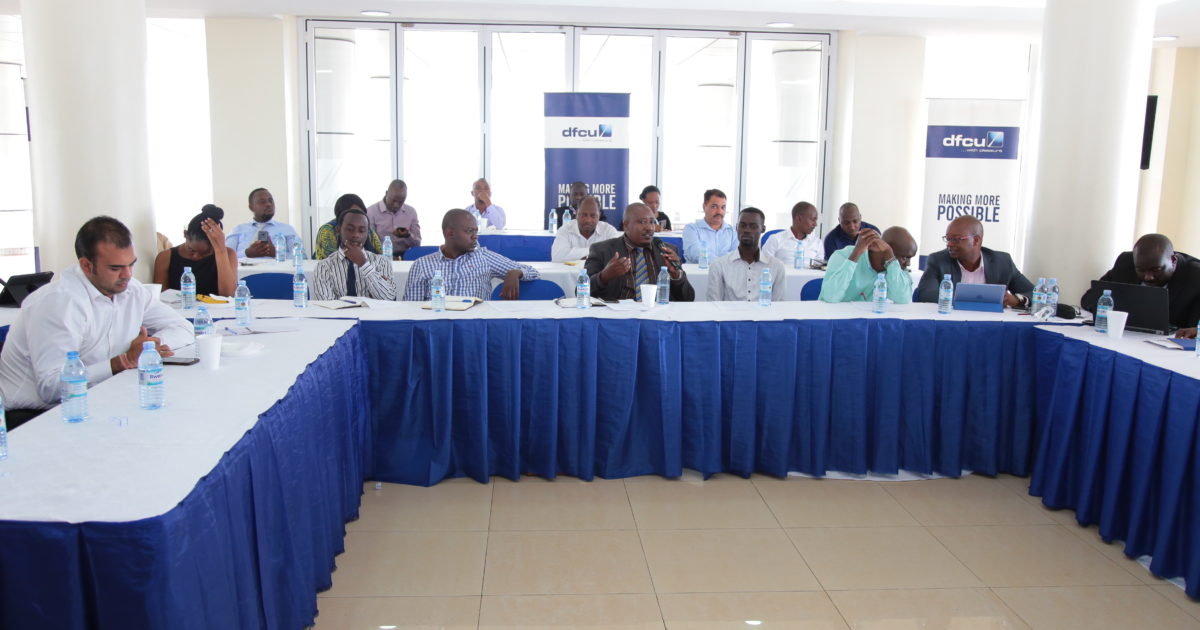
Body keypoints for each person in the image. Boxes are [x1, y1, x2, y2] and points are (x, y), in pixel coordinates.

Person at [0, 216, 193, 416]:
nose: (127, 275)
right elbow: (52, 388)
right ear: (86, 266)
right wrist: (121, 362)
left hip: (97, 397)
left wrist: (148, 348)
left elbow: (183, 328)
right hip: (31, 414)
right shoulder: (60, 303)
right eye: (115, 268)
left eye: (131, 264)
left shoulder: (131, 290)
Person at [403, 209, 538, 301]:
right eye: (469, 231)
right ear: (450, 233)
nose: (475, 236)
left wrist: (516, 272)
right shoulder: (422, 265)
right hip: (436, 327)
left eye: (476, 231)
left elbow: (533, 272)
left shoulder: (484, 257)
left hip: (474, 327)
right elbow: (411, 310)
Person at [1081, 234, 1200, 335]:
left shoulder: (1196, 277)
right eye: (1141, 270)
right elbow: (1089, 299)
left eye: (1156, 270)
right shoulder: (1126, 262)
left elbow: (1194, 329)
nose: (1148, 277)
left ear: (1173, 261)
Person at [585, 203, 695, 302]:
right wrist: (604, 277)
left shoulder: (667, 251)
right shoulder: (602, 250)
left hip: (658, 313)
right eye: (642, 222)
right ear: (626, 225)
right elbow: (581, 293)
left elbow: (688, 298)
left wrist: (676, 276)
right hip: (618, 314)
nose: (649, 228)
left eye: (652, 222)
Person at [916, 215, 1033, 308]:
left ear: (976, 240)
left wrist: (1016, 300)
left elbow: (1034, 293)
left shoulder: (1002, 262)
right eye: (948, 239)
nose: (949, 244)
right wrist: (971, 302)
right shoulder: (938, 260)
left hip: (991, 323)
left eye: (956, 239)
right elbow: (926, 294)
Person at [152, 204, 239, 297]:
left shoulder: (228, 254)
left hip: (215, 306)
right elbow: (161, 297)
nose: (196, 256)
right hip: (179, 306)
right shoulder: (165, 257)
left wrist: (220, 251)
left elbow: (229, 295)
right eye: (191, 250)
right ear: (185, 234)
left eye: (205, 253)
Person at [311, 209, 397, 301]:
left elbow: (389, 299)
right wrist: (371, 299)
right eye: (350, 229)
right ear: (338, 230)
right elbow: (327, 305)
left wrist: (363, 264)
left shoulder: (381, 262)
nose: (356, 235)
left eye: (362, 231)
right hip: (344, 313)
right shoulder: (324, 267)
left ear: (367, 233)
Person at [819, 226, 916, 303]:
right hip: (835, 318)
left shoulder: (896, 267)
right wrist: (856, 253)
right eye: (905, 257)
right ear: (882, 247)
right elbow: (830, 297)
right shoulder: (842, 256)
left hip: (869, 320)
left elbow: (903, 299)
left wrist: (890, 257)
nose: (908, 264)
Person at [707, 207, 786, 302]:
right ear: (737, 228)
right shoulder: (719, 265)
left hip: (764, 312)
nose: (747, 230)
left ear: (763, 229)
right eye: (742, 225)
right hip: (729, 312)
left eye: (753, 226)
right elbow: (713, 304)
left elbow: (778, 305)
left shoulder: (776, 266)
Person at [226, 188, 299, 258]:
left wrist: (276, 253)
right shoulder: (238, 230)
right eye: (262, 202)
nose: (268, 204)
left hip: (275, 266)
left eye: (270, 201)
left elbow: (301, 256)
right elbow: (225, 256)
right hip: (245, 266)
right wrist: (247, 253)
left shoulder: (287, 229)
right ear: (251, 207)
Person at [314, 193, 384, 259]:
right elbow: (333, 262)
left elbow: (381, 256)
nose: (358, 217)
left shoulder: (367, 230)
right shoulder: (327, 231)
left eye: (361, 213)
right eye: (350, 229)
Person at [551, 195, 619, 262]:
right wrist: (595, 252)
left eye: (593, 216)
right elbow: (557, 256)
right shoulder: (565, 230)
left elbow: (616, 256)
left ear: (599, 215)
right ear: (576, 214)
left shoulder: (608, 231)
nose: (588, 220)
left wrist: (576, 255)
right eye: (584, 215)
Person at [367, 179, 421, 259]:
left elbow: (417, 243)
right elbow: (370, 242)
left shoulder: (411, 212)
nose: (396, 205)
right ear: (386, 193)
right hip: (379, 258)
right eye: (393, 200)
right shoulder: (371, 212)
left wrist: (408, 235)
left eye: (401, 202)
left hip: (405, 258)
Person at [682, 189, 737, 263]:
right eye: (714, 206)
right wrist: (722, 262)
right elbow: (695, 254)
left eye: (723, 207)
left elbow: (736, 256)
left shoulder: (733, 231)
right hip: (698, 270)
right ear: (704, 207)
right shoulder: (692, 229)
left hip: (727, 270)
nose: (719, 211)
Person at [761, 201, 823, 265]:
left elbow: (820, 269)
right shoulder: (776, 239)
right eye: (813, 220)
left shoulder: (817, 243)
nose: (815, 224)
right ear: (799, 218)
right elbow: (763, 266)